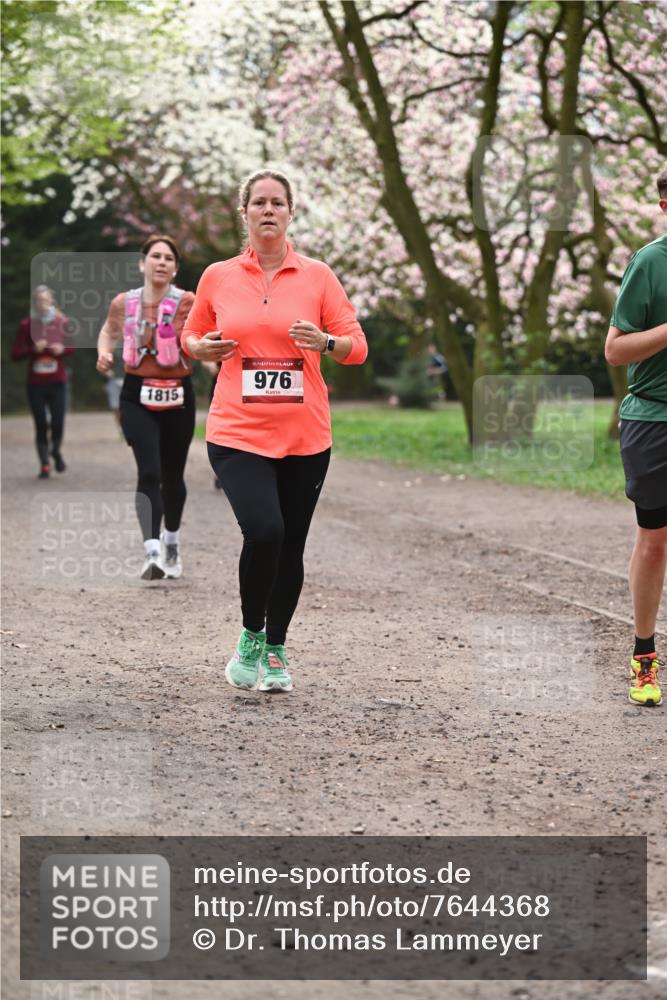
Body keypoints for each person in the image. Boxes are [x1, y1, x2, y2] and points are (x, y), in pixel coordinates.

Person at [182, 169, 368, 693]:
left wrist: (326, 342)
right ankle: (250, 634)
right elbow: (191, 335)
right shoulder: (218, 276)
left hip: (306, 436)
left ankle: (277, 651)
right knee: (265, 530)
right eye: (259, 202)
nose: (268, 210)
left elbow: (358, 347)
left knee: (292, 547)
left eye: (277, 203)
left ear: (290, 213)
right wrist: (200, 349)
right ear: (244, 214)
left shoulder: (318, 277)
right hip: (236, 430)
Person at [96, 235, 195, 580]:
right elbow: (108, 331)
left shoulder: (188, 301)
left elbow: (198, 337)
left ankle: (172, 542)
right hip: (137, 393)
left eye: (169, 257)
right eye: (156, 256)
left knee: (173, 475)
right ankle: (152, 551)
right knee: (149, 471)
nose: (162, 262)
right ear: (142, 263)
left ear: (175, 268)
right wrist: (104, 352)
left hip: (178, 393)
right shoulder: (124, 302)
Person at [605, 165, 667, 707]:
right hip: (654, 419)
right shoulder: (650, 263)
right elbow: (616, 350)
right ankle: (644, 655)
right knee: (655, 541)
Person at [12, 285, 74, 478]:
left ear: (52, 302)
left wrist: (61, 349)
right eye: (39, 301)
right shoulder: (26, 325)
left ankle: (55, 451)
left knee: (57, 422)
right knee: (40, 423)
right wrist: (33, 350)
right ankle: (45, 464)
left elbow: (72, 347)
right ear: (35, 303)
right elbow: (15, 354)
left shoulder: (62, 322)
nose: (43, 304)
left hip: (57, 382)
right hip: (36, 384)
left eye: (46, 301)